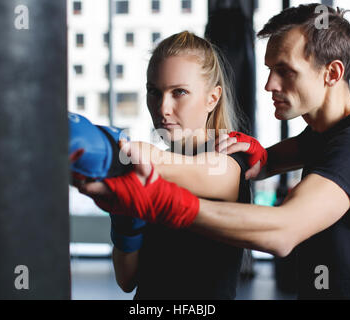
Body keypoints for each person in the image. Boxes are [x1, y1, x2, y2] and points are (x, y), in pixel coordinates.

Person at [78, 4, 350, 300]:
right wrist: (262, 157)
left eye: (285, 71)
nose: (269, 85)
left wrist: (155, 192)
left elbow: (284, 230)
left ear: (332, 73)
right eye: (269, 69)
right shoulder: (325, 135)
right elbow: (263, 163)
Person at [82, 31, 265, 299]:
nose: (163, 107)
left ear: (212, 98)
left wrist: (116, 154)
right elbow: (126, 280)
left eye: (179, 92)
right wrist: (125, 221)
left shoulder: (229, 161)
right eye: (154, 92)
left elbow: (186, 168)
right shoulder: (151, 166)